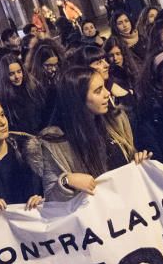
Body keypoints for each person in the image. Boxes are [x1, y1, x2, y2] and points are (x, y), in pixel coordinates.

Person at [38, 67, 148, 201]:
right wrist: (67, 181)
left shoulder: (116, 120)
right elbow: (51, 197)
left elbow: (127, 160)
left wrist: (137, 160)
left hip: (129, 205)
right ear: (78, 99)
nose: (107, 93)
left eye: (104, 87)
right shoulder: (56, 142)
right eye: (98, 91)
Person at [0, 54, 49, 135]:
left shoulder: (35, 87)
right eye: (11, 74)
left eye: (19, 71)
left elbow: (45, 111)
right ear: (5, 76)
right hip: (21, 140)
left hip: (42, 135)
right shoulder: (1, 98)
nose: (17, 76)